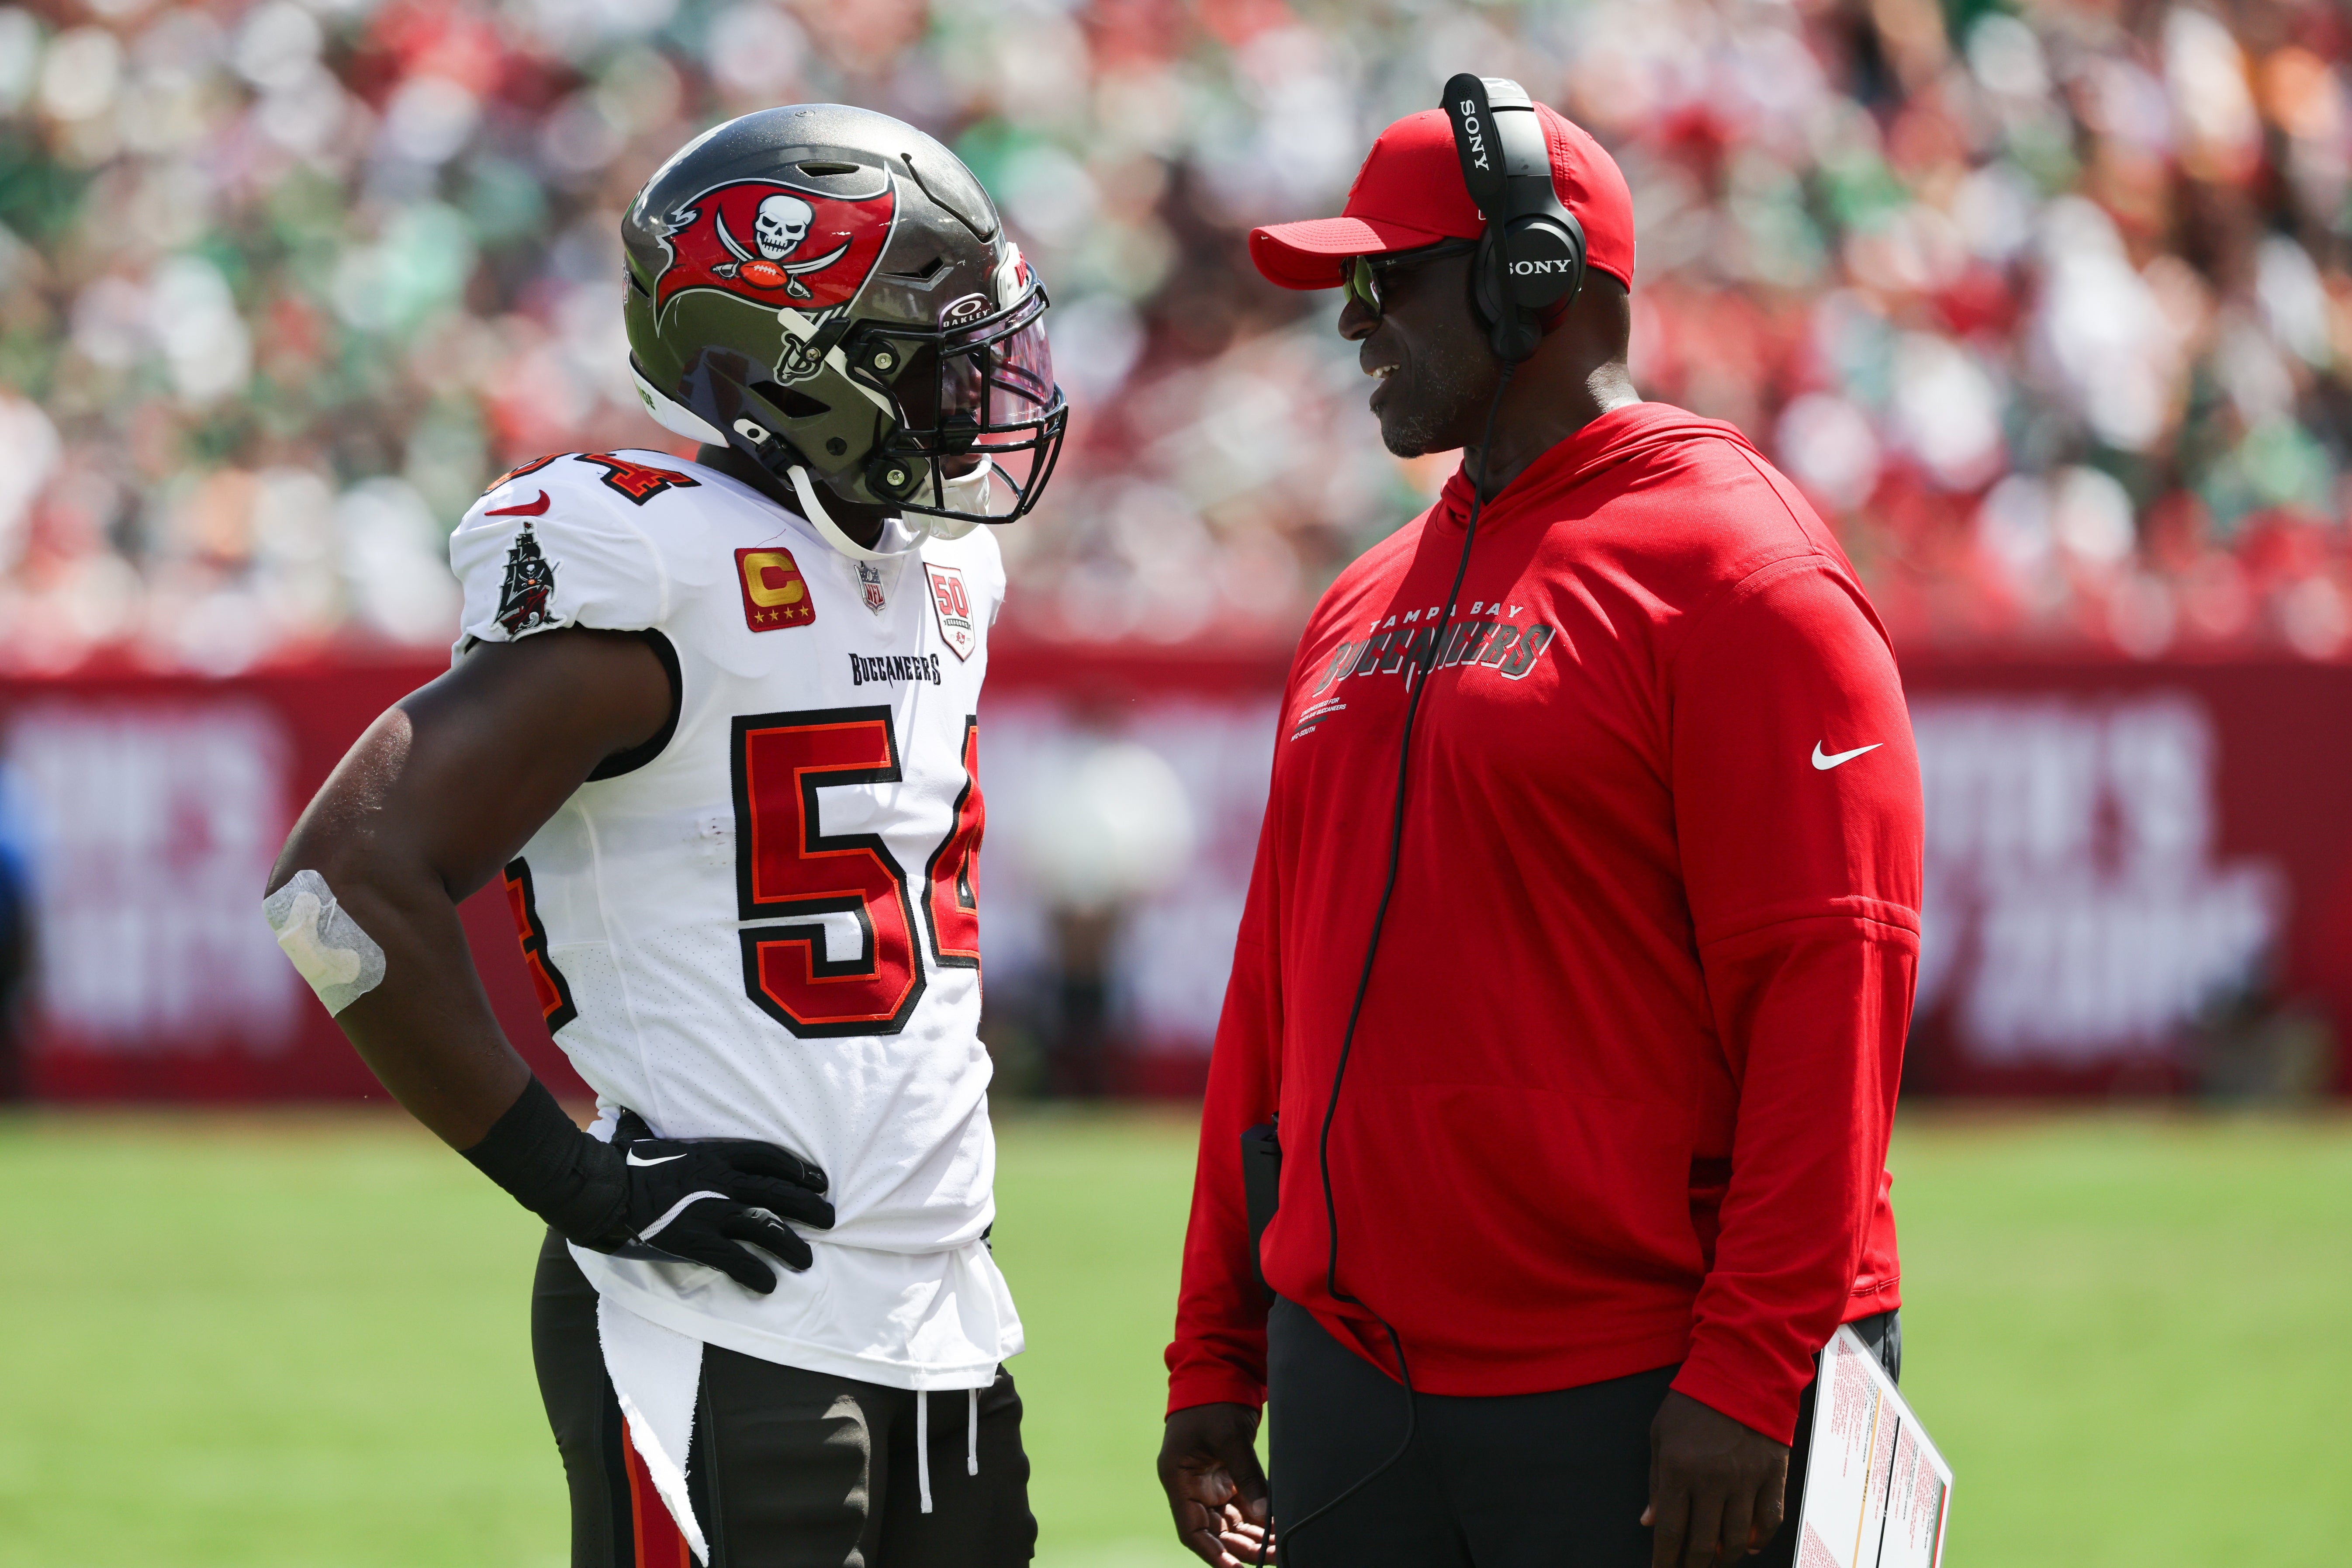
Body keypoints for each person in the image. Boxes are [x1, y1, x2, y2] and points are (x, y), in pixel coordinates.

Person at [266, 104, 1064, 1568]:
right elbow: (338, 886)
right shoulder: (651, 559)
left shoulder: (949, 574)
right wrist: (578, 1185)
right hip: (720, 1314)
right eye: (929, 361)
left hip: (943, 1303)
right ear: (791, 372)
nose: (977, 394)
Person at [1155, 89, 1923, 1568]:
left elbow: (1833, 995)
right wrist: (1216, 1352)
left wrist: (1754, 1374)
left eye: (1389, 279)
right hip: (1357, 1388)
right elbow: (1273, 998)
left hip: (1647, 1397)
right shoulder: (1363, 594)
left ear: (1535, 276)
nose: (1354, 323)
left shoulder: (1747, 577)